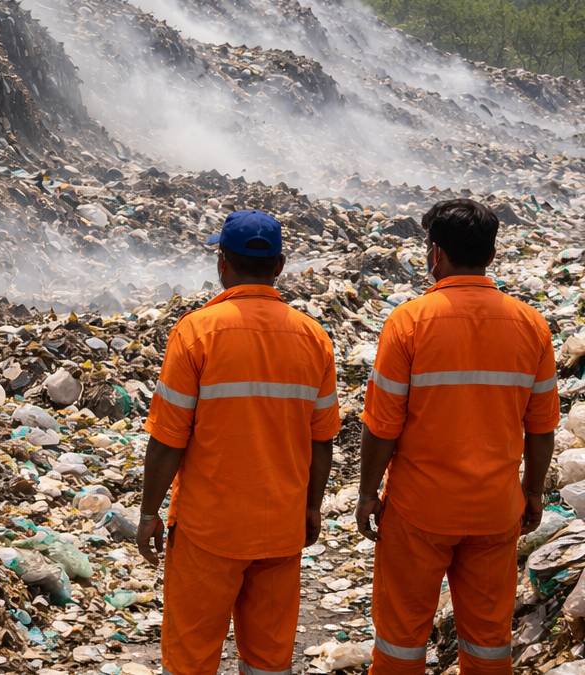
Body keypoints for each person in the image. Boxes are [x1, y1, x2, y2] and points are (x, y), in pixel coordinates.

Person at [357, 199, 559, 675]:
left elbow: (381, 425)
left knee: (402, 640)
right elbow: (542, 425)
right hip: (494, 510)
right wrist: (531, 492)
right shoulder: (531, 325)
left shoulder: (409, 322)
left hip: (418, 511)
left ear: (435, 254)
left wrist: (367, 494)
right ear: (491, 255)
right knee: (489, 642)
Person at [138, 209, 340, 675]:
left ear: (221, 264)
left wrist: (149, 512)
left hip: (208, 530)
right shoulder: (313, 338)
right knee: (269, 660)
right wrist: (312, 507)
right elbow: (323, 439)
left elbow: (168, 439)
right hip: (280, 527)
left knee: (190, 657)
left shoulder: (197, 332)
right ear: (280, 266)